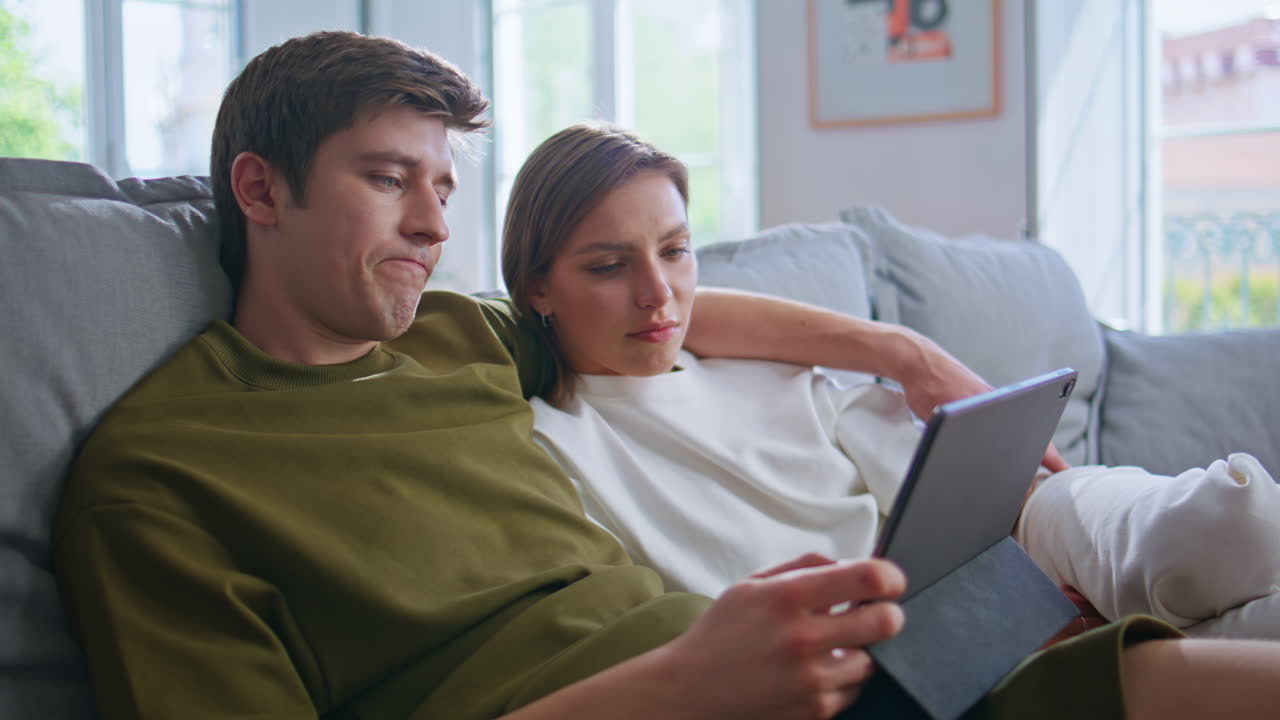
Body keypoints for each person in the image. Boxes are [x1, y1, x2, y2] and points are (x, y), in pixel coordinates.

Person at [52, 30, 1278, 720]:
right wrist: (684, 679)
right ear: (259, 189)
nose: (431, 225)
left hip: (789, 682)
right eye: (387, 181)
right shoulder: (159, 480)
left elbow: (652, 315)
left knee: (1147, 677)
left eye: (443, 188)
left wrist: (893, 349)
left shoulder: (454, 338)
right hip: (686, 693)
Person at [506, 121, 1280, 640]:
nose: (659, 294)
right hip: (881, 640)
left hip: (1006, 544)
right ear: (537, 286)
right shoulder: (549, 445)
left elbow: (961, 492)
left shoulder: (767, 365)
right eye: (608, 266)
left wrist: (1028, 554)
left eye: (676, 251)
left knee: (1229, 520)